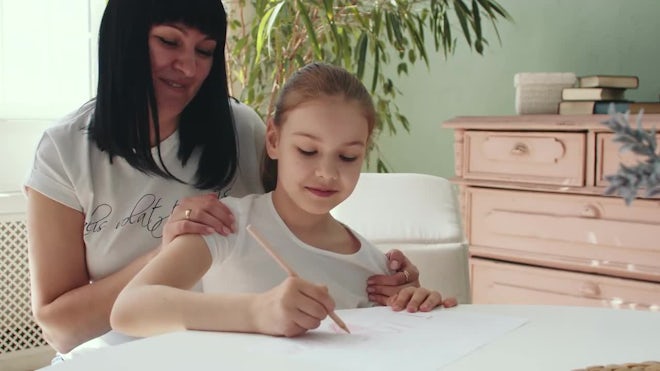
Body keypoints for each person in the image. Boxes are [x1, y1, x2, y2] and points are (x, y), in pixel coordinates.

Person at [24, 0, 421, 360]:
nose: (189, 67)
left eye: (205, 51)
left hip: (240, 351)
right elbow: (62, 327)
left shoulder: (241, 131)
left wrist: (379, 279)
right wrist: (172, 251)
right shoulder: (65, 150)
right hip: (121, 353)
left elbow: (299, 225)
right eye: (168, 41)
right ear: (122, 39)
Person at [110, 63, 457, 339]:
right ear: (273, 140)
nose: (327, 173)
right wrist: (256, 313)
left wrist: (419, 311)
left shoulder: (376, 269)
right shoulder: (226, 224)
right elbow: (129, 309)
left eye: (348, 157)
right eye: (308, 150)